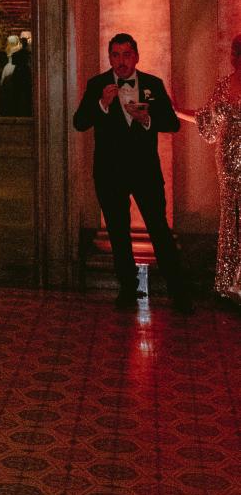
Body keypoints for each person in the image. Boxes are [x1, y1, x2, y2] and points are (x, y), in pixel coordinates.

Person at [73, 32, 192, 312]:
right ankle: (127, 289)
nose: (121, 61)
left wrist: (147, 118)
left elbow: (172, 124)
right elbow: (79, 122)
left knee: (159, 229)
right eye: (115, 55)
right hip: (109, 172)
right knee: (117, 231)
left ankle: (178, 292)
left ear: (136, 56)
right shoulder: (98, 84)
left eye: (126, 54)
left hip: (145, 172)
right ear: (110, 57)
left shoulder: (152, 84)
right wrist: (102, 104)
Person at [177, 34, 241, 304]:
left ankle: (233, 284)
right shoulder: (225, 85)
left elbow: (207, 121)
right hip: (227, 161)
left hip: (229, 157)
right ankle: (230, 284)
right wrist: (176, 110)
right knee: (231, 219)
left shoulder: (226, 85)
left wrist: (176, 110)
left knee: (234, 219)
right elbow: (207, 120)